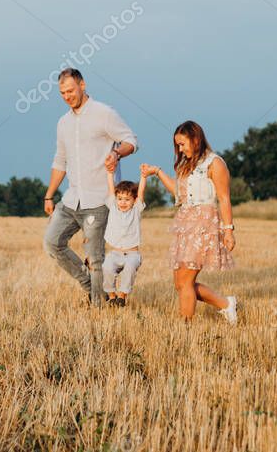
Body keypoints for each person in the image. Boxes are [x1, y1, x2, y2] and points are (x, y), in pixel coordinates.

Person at [43, 68, 137, 307]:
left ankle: (97, 308)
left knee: (95, 259)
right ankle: (91, 286)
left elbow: (131, 141)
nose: (67, 96)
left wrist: (116, 153)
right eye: (63, 93)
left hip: (99, 200)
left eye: (70, 91)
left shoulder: (104, 113)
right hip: (71, 199)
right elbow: (60, 161)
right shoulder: (63, 123)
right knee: (52, 243)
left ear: (82, 85)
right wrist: (49, 195)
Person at [141, 120, 238, 324]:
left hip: (204, 224)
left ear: (195, 140)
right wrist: (157, 172)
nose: (179, 149)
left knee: (185, 281)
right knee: (180, 283)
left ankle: (185, 327)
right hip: (186, 223)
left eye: (182, 144)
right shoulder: (186, 165)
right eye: (177, 145)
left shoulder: (215, 163)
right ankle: (226, 304)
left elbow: (224, 199)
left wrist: (228, 230)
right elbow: (179, 194)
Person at [101, 165, 146, 307]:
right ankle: (111, 296)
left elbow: (141, 192)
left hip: (132, 254)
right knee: (106, 268)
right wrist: (110, 173)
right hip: (115, 253)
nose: (123, 202)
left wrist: (143, 176)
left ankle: (121, 296)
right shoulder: (113, 207)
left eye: (127, 199)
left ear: (134, 200)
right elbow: (111, 189)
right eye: (120, 198)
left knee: (130, 268)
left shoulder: (136, 210)